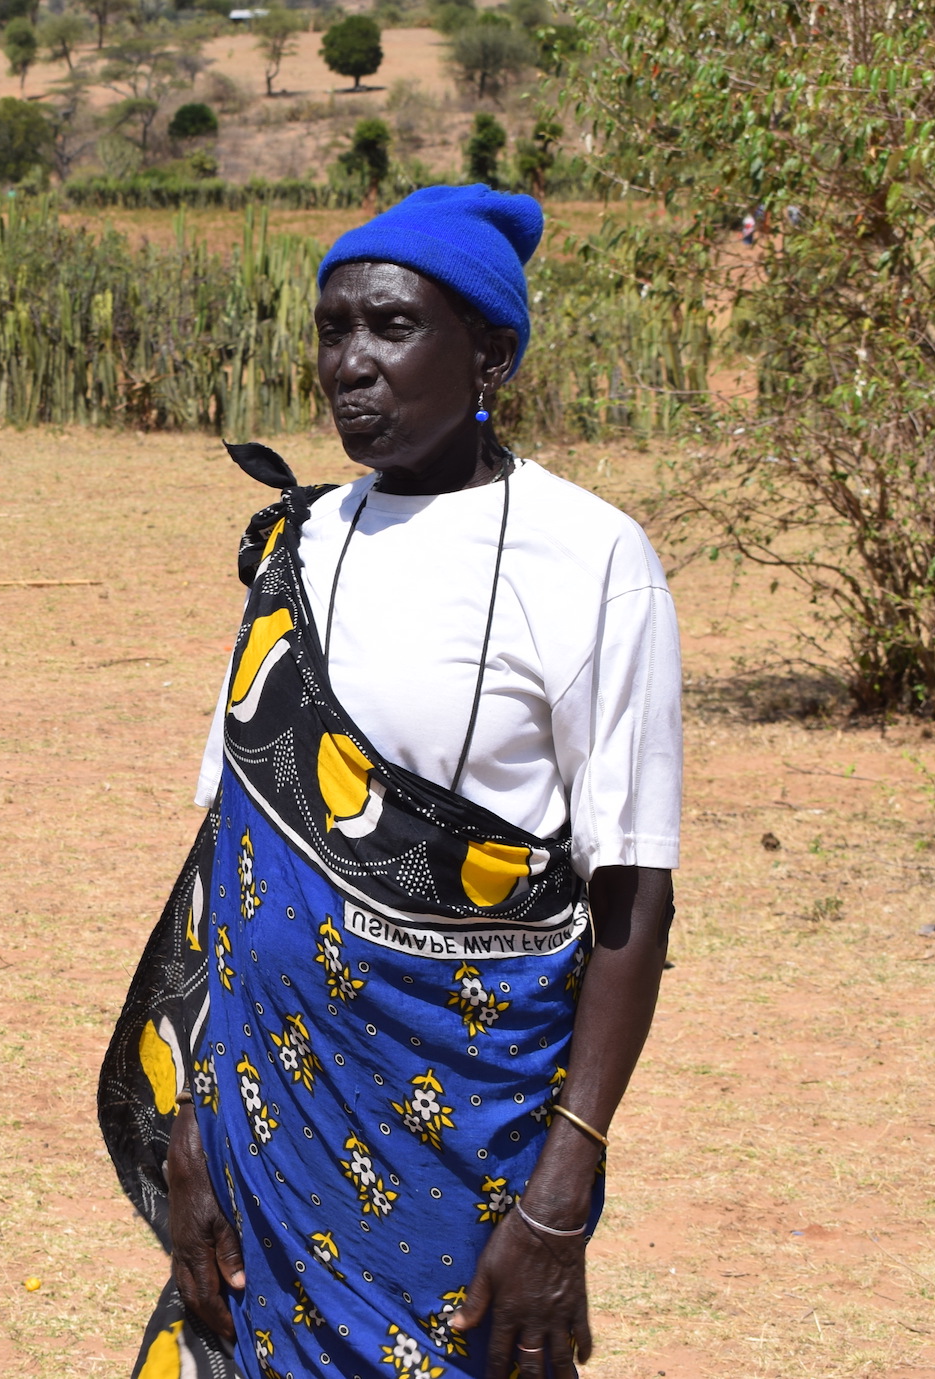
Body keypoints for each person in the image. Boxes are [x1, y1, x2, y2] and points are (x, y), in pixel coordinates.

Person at [99, 184, 680, 1379]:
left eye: (391, 327)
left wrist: (563, 1180)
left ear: (491, 354)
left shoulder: (590, 558)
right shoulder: (298, 547)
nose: (349, 363)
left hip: (472, 1134)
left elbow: (630, 887)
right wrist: (195, 1120)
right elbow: (236, 856)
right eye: (331, 328)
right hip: (266, 1130)